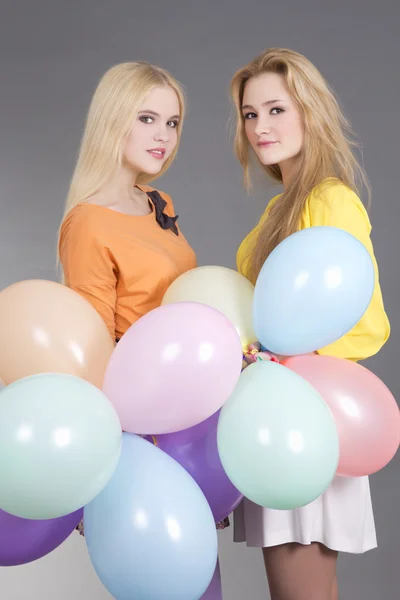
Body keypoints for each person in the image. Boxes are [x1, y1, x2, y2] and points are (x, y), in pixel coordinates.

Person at [230, 48, 390, 600]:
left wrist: (283, 357)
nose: (259, 127)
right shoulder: (272, 216)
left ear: (309, 112)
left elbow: (368, 324)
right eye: (250, 114)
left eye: (275, 109)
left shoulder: (331, 200)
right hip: (272, 420)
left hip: (311, 425)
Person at [57, 62, 199, 533]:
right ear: (113, 120)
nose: (164, 135)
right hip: (141, 429)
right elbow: (93, 350)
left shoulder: (159, 202)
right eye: (147, 118)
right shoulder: (88, 222)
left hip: (189, 412)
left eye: (172, 122)